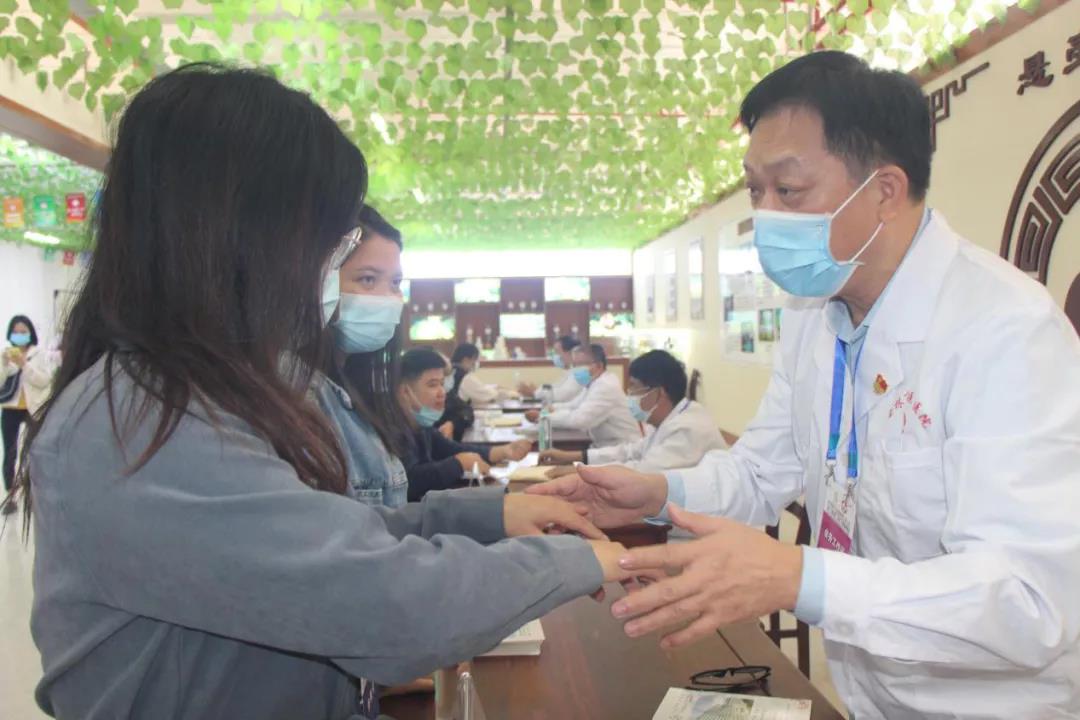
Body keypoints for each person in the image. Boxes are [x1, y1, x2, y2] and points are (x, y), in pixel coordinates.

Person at [12, 64, 635, 720]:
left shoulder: (205, 393)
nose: (332, 273)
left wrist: (491, 517)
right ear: (246, 235)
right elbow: (384, 603)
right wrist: (573, 562)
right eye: (333, 248)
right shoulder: (147, 422)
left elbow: (327, 538)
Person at [530, 51, 1080, 718]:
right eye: (754, 191)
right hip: (868, 693)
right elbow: (761, 471)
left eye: (788, 191)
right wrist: (658, 494)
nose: (766, 216)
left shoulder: (1005, 331)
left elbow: (1029, 601)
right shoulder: (814, 314)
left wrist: (799, 577)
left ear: (884, 190)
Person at [316, 203, 412, 508]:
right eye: (368, 279)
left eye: (395, 283)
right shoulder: (305, 394)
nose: (388, 298)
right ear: (322, 284)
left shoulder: (361, 388)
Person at [539, 350, 725, 478]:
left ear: (659, 393)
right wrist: (573, 457)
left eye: (635, 388)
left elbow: (643, 472)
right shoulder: (668, 420)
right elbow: (632, 451)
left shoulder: (687, 428)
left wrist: (580, 470)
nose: (629, 395)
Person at [399, 348, 532, 501]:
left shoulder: (422, 426)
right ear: (405, 391)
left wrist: (503, 451)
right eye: (432, 385)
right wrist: (459, 463)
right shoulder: (393, 430)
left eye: (442, 384)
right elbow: (408, 482)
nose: (442, 392)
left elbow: (450, 449)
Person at [525, 343, 640, 448]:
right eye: (574, 365)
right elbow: (574, 405)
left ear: (599, 366)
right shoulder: (593, 383)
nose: (576, 370)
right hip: (606, 446)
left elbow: (580, 420)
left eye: (580, 365)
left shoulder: (606, 386)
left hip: (623, 449)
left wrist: (544, 417)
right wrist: (551, 409)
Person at [2, 315, 47, 506]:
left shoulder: (39, 354)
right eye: (16, 332)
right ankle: (10, 494)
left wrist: (24, 365)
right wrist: (4, 364)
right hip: (10, 408)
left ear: (30, 333)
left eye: (23, 332)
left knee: (35, 449)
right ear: (10, 334)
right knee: (10, 452)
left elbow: (43, 381)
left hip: (33, 408)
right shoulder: (5, 354)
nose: (19, 335)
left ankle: (36, 491)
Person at [517, 335, 584, 404]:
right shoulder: (571, 371)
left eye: (557, 352)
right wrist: (538, 389)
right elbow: (556, 386)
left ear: (570, 353)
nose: (556, 356)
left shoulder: (581, 373)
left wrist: (535, 393)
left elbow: (563, 395)